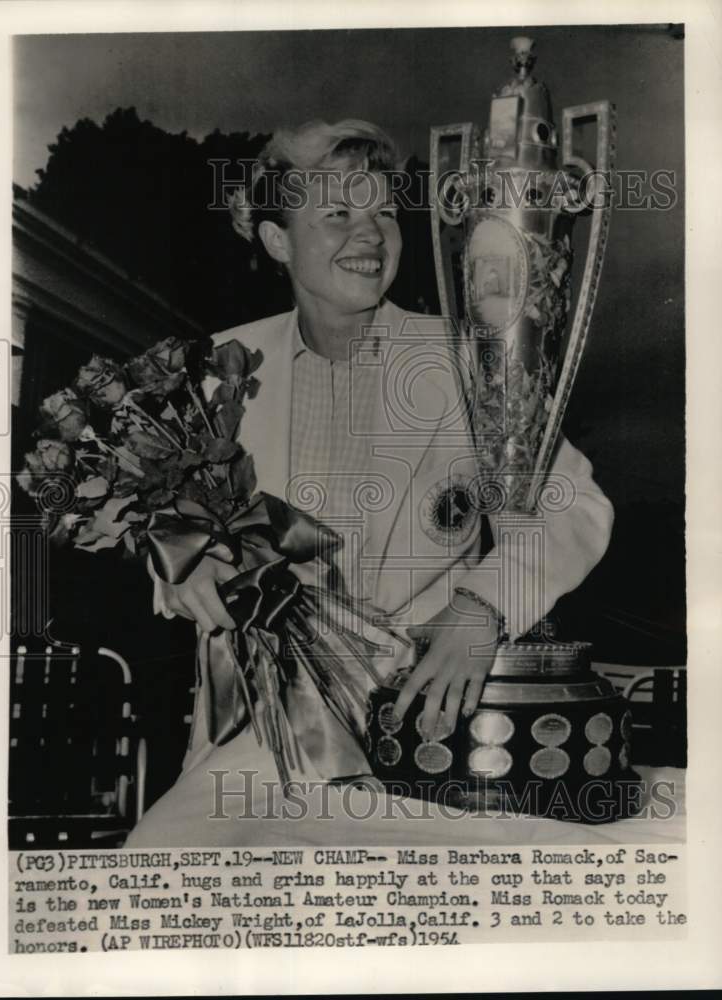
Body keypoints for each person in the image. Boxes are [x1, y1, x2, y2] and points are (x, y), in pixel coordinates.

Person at [126, 119, 613, 845]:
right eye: (338, 215)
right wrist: (180, 564)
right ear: (277, 240)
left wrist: (484, 606)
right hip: (269, 739)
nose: (372, 235)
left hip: (425, 728)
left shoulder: (465, 359)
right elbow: (164, 523)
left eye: (385, 211)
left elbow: (577, 504)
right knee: (160, 863)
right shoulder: (217, 370)